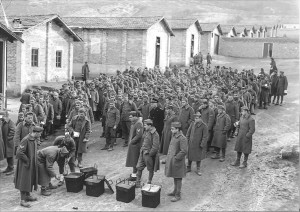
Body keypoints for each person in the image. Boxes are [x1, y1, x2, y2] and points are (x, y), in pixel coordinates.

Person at [14, 126, 44, 208]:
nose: (40, 135)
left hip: (31, 164)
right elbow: (19, 153)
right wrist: (27, 160)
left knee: (29, 179)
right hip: (25, 165)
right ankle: (22, 200)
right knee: (24, 181)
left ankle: (27, 195)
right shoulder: (26, 139)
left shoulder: (33, 139)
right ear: (36, 133)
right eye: (40, 133)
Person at [164, 122, 188, 202]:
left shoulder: (182, 138)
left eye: (173, 129)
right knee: (175, 176)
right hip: (173, 161)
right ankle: (175, 191)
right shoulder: (174, 136)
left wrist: (176, 158)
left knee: (178, 178)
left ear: (178, 129)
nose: (171, 130)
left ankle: (178, 195)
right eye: (171, 129)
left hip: (178, 162)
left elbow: (184, 151)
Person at [135, 119, 160, 188]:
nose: (144, 127)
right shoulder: (146, 131)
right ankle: (137, 182)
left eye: (145, 125)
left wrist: (149, 154)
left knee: (150, 169)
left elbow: (155, 147)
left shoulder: (155, 134)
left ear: (150, 125)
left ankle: (149, 182)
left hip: (148, 154)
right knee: (139, 167)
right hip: (142, 152)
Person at [126, 111, 144, 181]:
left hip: (136, 145)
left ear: (135, 117)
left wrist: (131, 142)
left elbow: (139, 135)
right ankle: (134, 174)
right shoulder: (134, 123)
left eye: (131, 117)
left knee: (135, 160)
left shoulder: (139, 123)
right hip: (133, 145)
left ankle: (135, 175)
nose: (129, 118)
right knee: (134, 160)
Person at [0, 110, 16, 175]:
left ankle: (11, 168)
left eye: (2, 116)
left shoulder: (10, 122)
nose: (1, 117)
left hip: (9, 142)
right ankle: (9, 167)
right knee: (7, 154)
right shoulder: (3, 122)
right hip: (5, 141)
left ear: (6, 115)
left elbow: (13, 130)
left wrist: (8, 138)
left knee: (10, 155)